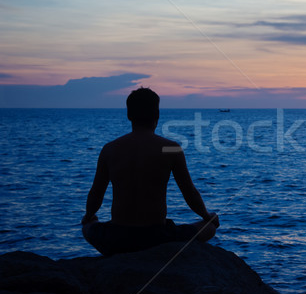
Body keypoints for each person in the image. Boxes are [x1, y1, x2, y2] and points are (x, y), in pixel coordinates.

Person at [82, 87, 219, 255]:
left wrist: (89, 215)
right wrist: (206, 216)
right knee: (209, 228)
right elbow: (189, 193)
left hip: (117, 238)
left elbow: (96, 193)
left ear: (129, 115)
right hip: (157, 238)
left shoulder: (110, 149)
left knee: (88, 227)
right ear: (157, 114)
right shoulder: (170, 149)